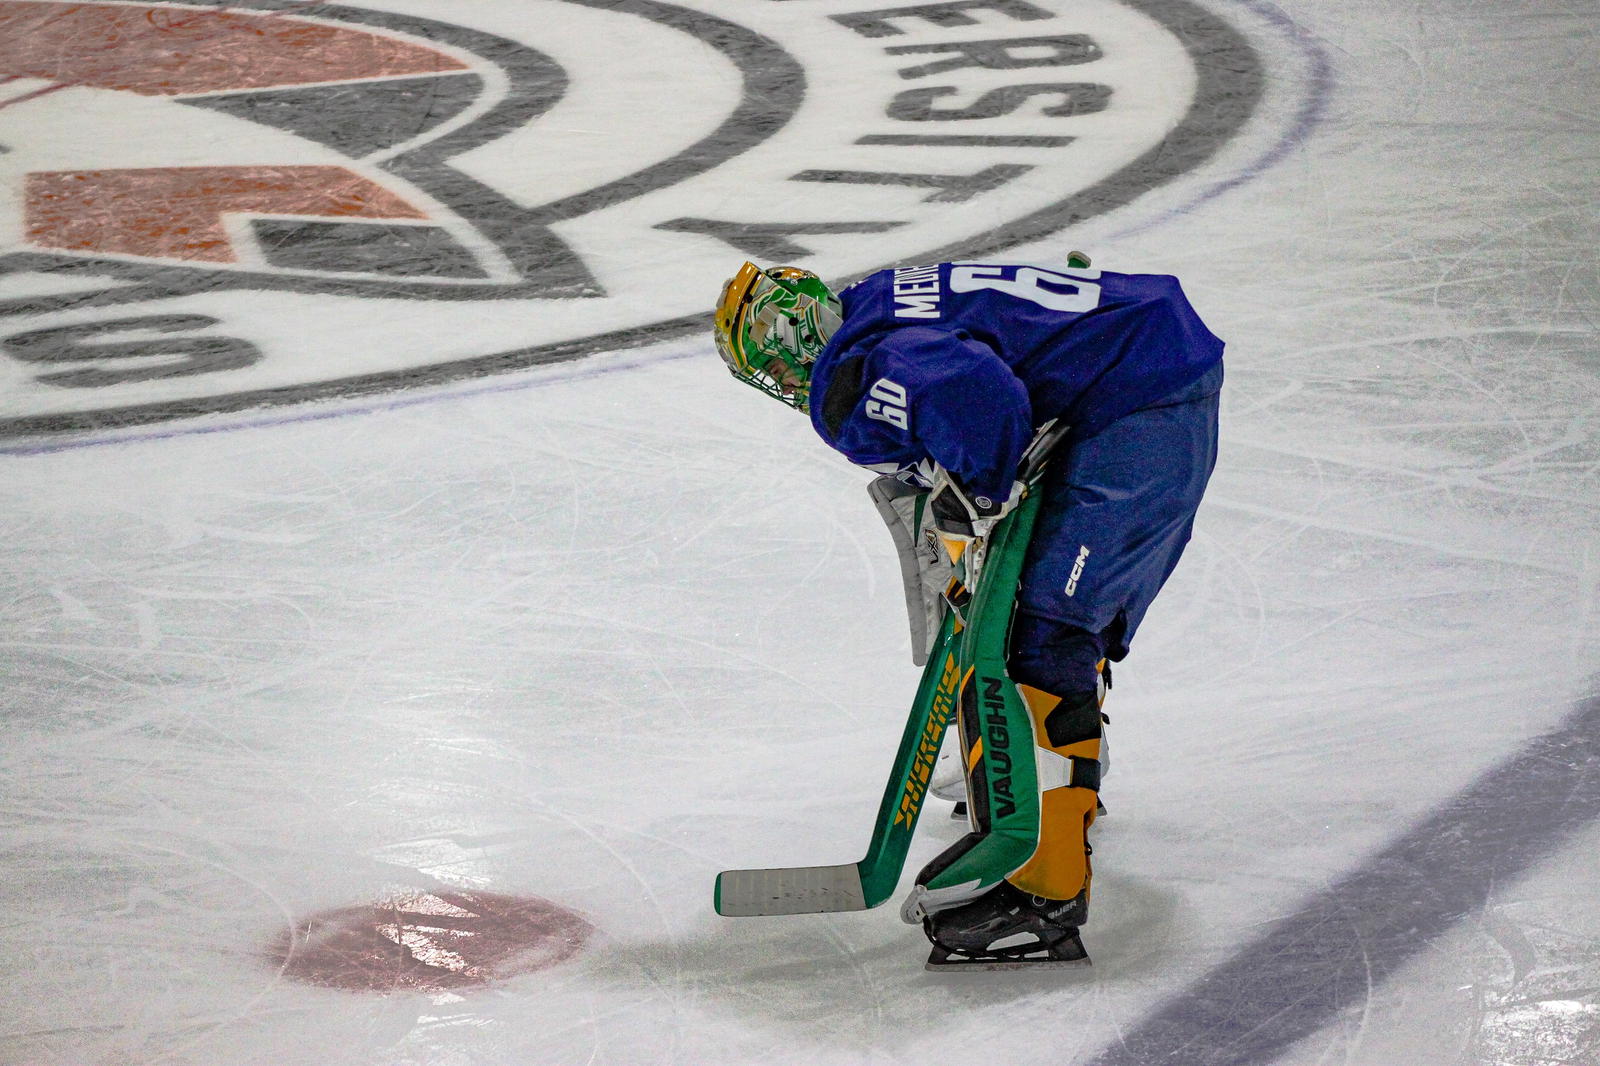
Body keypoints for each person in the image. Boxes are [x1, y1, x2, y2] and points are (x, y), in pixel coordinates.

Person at [711, 255, 1223, 966]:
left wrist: (983, 490)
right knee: (1043, 617)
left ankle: (1047, 896)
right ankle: (1062, 781)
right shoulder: (875, 302)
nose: (789, 384)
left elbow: (974, 392)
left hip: (1139, 404)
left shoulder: (856, 369)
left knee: (1043, 639)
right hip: (1143, 371)